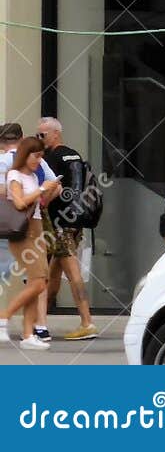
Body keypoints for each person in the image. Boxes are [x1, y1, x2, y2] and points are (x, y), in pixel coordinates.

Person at [37, 118, 96, 341]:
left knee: (72, 273)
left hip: (59, 223)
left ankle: (87, 321)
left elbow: (48, 188)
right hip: (76, 220)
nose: (39, 139)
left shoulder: (51, 158)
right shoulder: (75, 155)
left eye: (42, 135)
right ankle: (40, 318)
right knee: (53, 271)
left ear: (55, 134)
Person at [4, 136, 61, 349]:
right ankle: (4, 315)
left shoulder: (34, 178)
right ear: (25, 155)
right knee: (38, 282)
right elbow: (19, 203)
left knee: (39, 282)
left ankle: (28, 334)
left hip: (37, 228)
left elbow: (38, 203)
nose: (39, 160)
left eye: (41, 156)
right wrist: (41, 190)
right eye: (36, 156)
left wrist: (45, 190)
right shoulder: (14, 174)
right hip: (24, 232)